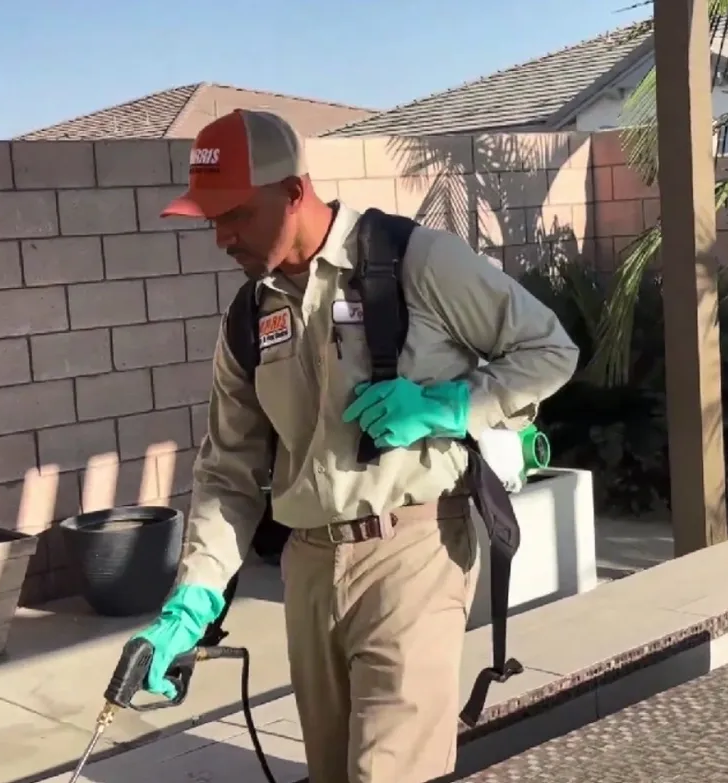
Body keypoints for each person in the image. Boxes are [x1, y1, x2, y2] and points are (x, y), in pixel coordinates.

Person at [131, 109, 580, 783]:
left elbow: (550, 349)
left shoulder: (411, 261)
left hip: (413, 550)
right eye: (210, 219)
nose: (222, 237)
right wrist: (192, 600)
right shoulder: (248, 318)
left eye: (236, 214)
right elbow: (227, 472)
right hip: (307, 568)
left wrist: (450, 406)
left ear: (292, 192)